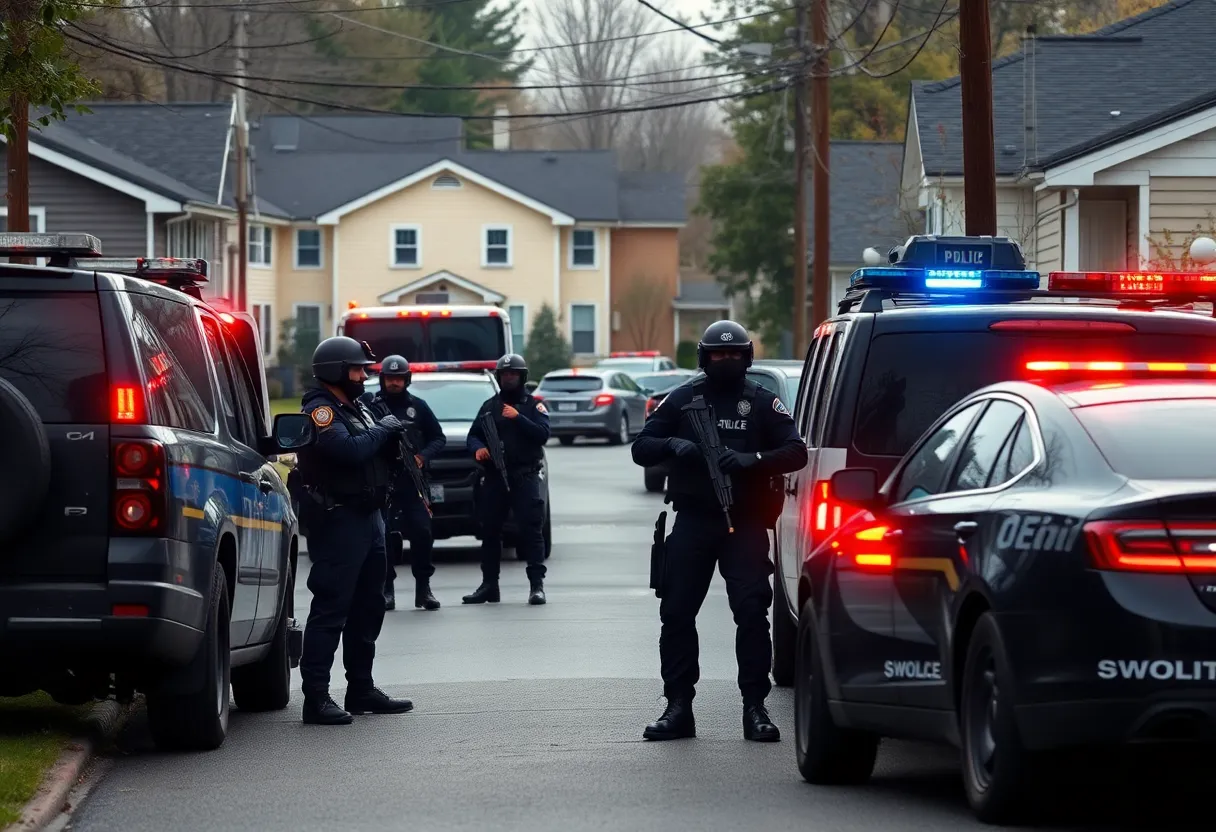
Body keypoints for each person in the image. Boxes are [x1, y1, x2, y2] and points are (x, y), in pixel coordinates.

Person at [630, 320, 808, 742]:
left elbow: (796, 451)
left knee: (751, 613)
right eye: (717, 354)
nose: (725, 360)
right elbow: (641, 447)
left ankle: (755, 707)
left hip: (744, 522)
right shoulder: (682, 399)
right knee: (676, 613)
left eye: (733, 354)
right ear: (703, 358)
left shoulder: (761, 402)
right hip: (694, 519)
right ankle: (678, 707)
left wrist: (753, 459)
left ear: (747, 358)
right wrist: (674, 445)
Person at [295, 336, 416, 726]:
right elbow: (349, 450)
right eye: (357, 370)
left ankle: (361, 689)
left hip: (370, 517)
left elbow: (375, 451)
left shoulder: (358, 407)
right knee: (332, 608)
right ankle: (316, 697)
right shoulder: (320, 411)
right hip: (339, 521)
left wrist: (391, 441)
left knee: (369, 607)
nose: (364, 377)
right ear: (335, 371)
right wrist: (383, 431)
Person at [462, 353, 551, 606]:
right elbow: (473, 435)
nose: (509, 378)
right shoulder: (490, 406)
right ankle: (489, 586)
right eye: (505, 374)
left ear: (522, 377)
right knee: (490, 531)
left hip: (525, 476)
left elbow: (543, 434)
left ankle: (536, 586)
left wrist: (518, 417)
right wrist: (478, 449)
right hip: (494, 477)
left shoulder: (534, 405)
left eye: (513, 374)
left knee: (531, 531)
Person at [361, 355, 446, 612]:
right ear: (382, 379)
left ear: (406, 379)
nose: (394, 383)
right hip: (384, 482)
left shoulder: (418, 407)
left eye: (399, 378)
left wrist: (423, 456)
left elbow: (438, 438)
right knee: (385, 537)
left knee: (422, 532)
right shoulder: (371, 406)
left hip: (413, 483)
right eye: (390, 378)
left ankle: (424, 589)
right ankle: (387, 589)